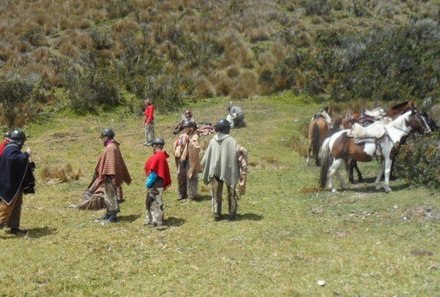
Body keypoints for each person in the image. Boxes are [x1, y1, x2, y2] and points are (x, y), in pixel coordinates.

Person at [80, 128, 132, 223]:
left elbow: (111, 164)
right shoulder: (113, 146)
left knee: (111, 195)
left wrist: (111, 176)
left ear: (106, 137)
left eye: (103, 138)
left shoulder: (110, 148)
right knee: (107, 196)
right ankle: (108, 213)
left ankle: (113, 216)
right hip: (109, 175)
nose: (102, 140)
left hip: (110, 176)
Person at [201, 119, 248, 221]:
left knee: (215, 192)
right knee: (231, 192)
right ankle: (232, 213)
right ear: (227, 129)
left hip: (215, 172)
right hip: (229, 171)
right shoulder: (231, 140)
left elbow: (205, 159)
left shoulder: (213, 140)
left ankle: (216, 213)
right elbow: (239, 152)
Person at [0, 130, 35, 235]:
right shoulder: (11, 149)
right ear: (19, 141)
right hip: (10, 184)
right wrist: (26, 154)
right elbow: (14, 160)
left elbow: (18, 165)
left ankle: (14, 227)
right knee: (7, 206)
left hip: (16, 183)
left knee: (17, 205)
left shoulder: (12, 148)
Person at [144, 137, 172, 228]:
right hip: (159, 184)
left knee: (154, 203)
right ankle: (153, 220)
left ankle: (157, 222)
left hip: (155, 184)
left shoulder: (157, 156)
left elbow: (154, 173)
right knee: (157, 201)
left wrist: (148, 183)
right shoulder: (162, 155)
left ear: (155, 146)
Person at [174, 120, 202, 201]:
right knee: (180, 175)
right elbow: (178, 144)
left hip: (191, 159)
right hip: (182, 158)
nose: (185, 129)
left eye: (187, 127)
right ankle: (182, 194)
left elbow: (196, 148)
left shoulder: (195, 136)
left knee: (191, 176)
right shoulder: (182, 135)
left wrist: (189, 141)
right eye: (184, 127)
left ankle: (192, 195)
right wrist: (178, 144)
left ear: (191, 128)